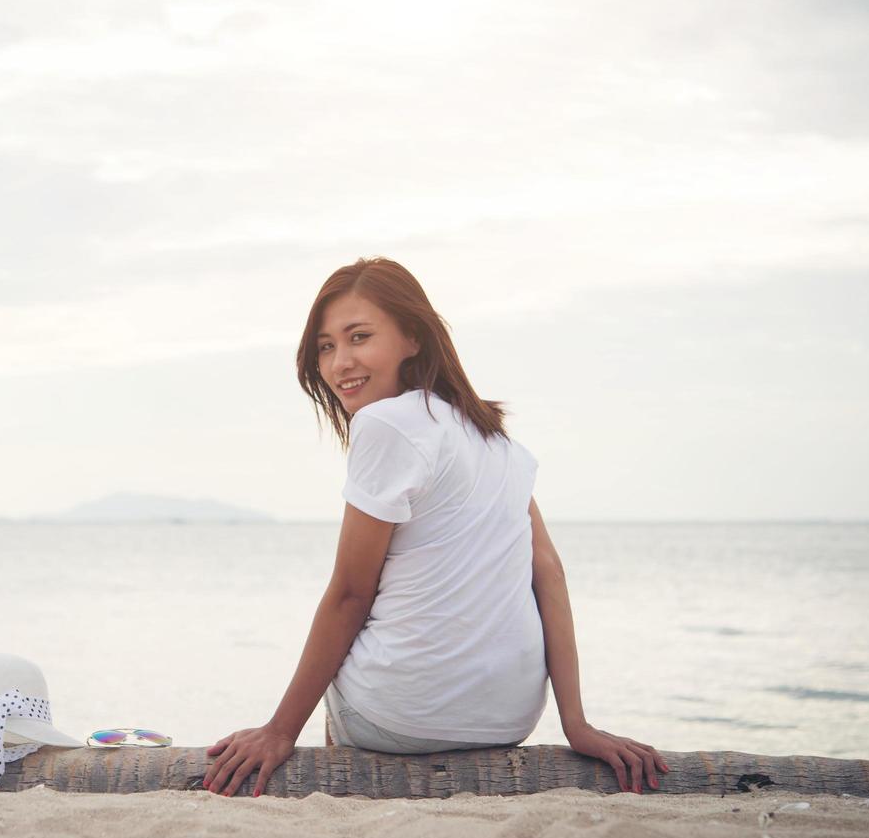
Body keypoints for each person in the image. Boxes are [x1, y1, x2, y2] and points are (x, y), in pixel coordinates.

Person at [202, 256, 668, 798]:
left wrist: (279, 731)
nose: (340, 363)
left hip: (398, 717)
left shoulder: (385, 424)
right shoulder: (497, 441)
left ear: (414, 337)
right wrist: (576, 724)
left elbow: (350, 595)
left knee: (355, 648)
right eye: (325, 347)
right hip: (508, 719)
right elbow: (549, 573)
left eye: (359, 337)